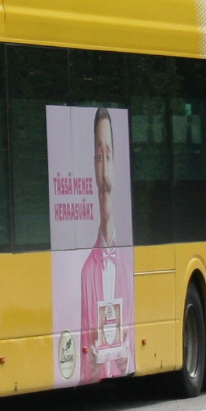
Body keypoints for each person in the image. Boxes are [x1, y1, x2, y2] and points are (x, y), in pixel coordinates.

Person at [79, 108, 134, 382]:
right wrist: (93, 369)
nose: (103, 172)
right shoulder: (87, 271)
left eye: (108, 156)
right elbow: (84, 365)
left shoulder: (129, 265)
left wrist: (127, 361)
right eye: (99, 157)